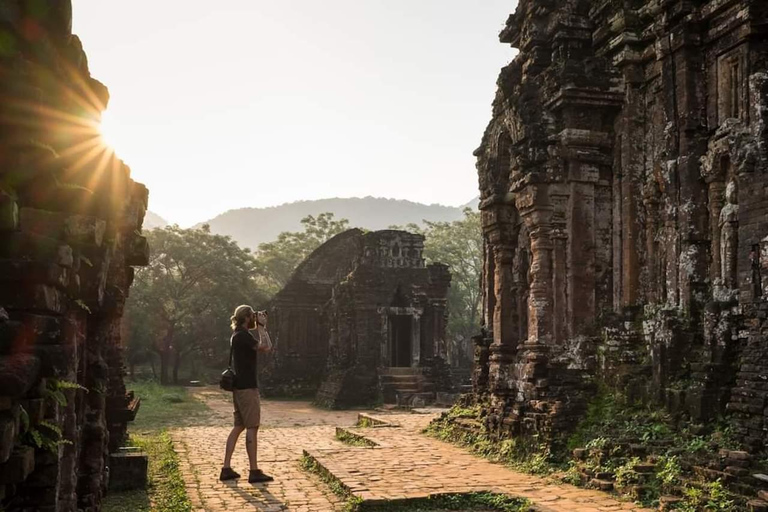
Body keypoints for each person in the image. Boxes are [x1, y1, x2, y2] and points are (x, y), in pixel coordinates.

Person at [220, 305, 273, 483]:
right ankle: (254, 470)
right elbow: (266, 347)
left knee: (239, 426)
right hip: (247, 388)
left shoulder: (237, 335)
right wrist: (262, 327)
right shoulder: (243, 336)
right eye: (252, 316)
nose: (254, 318)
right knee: (252, 427)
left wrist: (258, 326)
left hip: (239, 387)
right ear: (246, 318)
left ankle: (226, 468)